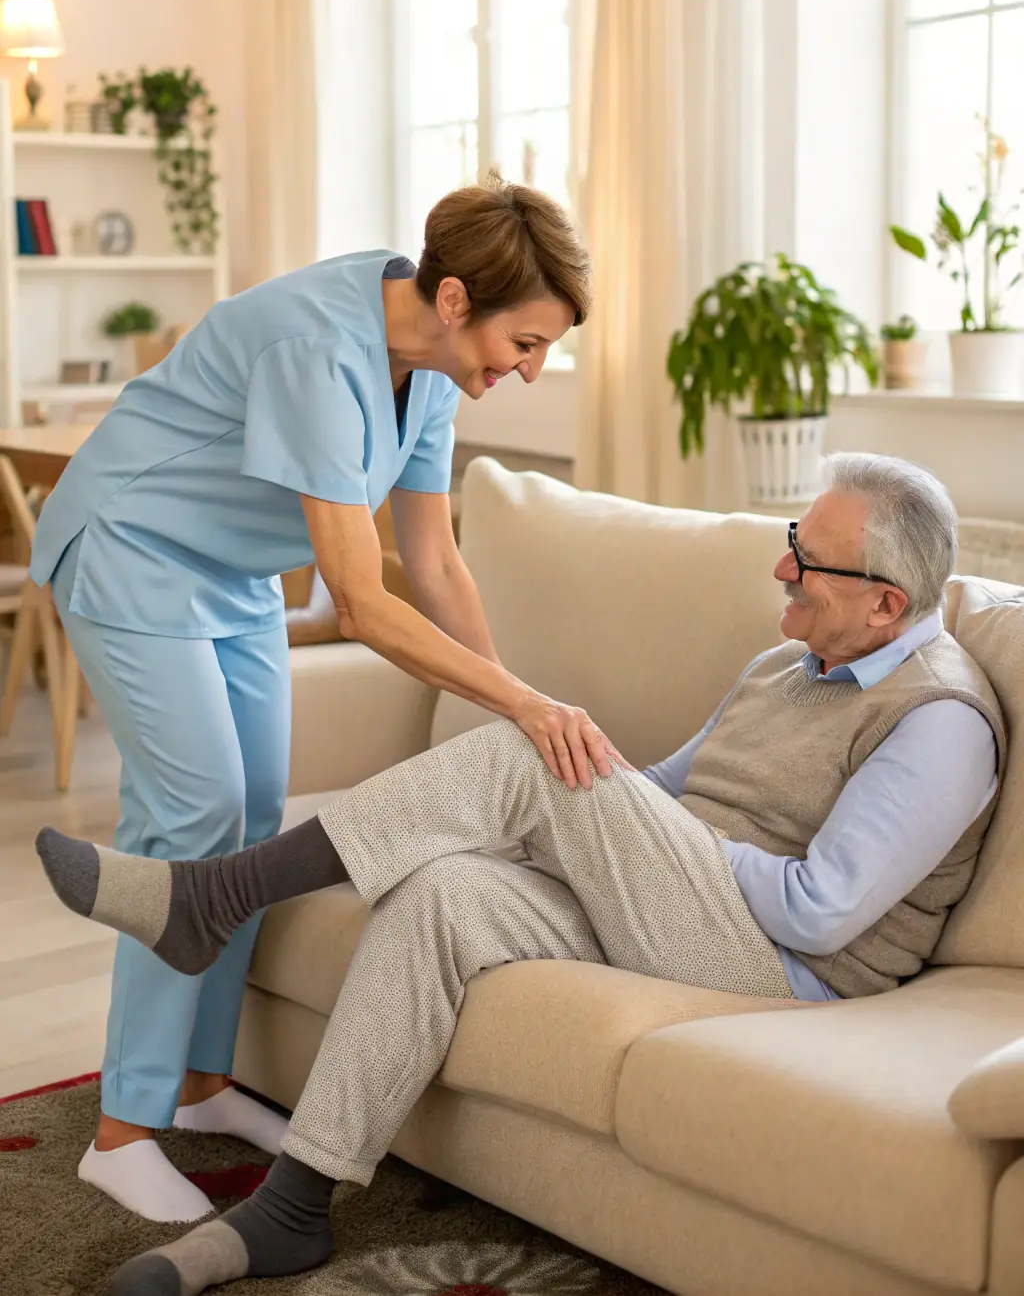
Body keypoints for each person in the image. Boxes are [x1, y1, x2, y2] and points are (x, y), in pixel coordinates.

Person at [37, 451, 1006, 1295]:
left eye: (809, 559)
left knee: (533, 747)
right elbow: (664, 789)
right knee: (442, 893)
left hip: (786, 971)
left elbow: (822, 910)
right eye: (793, 535)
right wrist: (595, 829)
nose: (779, 567)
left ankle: (214, 895)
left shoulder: (937, 721)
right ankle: (295, 1205)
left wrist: (605, 823)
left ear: (887, 602)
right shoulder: (781, 665)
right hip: (685, 911)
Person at [29, 181, 622, 1223]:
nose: (525, 371)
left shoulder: (436, 368)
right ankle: (121, 1132)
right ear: (453, 298)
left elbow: (433, 564)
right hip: (132, 545)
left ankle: (204, 1089)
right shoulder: (318, 345)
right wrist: (526, 706)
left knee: (252, 820)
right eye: (523, 344)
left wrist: (505, 712)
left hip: (235, 575)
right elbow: (360, 601)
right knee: (194, 814)